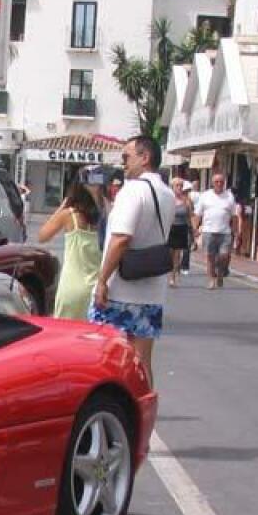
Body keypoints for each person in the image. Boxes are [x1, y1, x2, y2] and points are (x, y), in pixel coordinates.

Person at [91, 136, 174, 388]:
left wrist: (102, 280)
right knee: (143, 362)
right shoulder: (167, 194)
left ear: (144, 157)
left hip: (120, 291)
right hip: (152, 292)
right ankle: (144, 417)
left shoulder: (133, 191)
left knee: (104, 359)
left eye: (127, 157)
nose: (123, 163)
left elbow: (120, 239)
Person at [37, 179, 102, 320]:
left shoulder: (69, 215)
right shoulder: (104, 217)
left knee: (66, 335)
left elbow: (42, 236)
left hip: (71, 286)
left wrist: (61, 207)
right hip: (96, 287)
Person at [194, 172, 239, 289]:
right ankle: (211, 280)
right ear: (212, 183)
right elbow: (198, 214)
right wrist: (195, 228)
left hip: (225, 232)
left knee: (224, 256)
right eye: (217, 182)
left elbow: (234, 215)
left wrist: (236, 231)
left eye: (221, 182)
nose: (219, 184)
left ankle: (220, 274)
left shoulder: (229, 196)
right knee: (210, 257)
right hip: (209, 231)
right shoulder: (205, 196)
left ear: (224, 183)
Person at [167, 177, 193, 287]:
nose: (179, 188)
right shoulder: (168, 199)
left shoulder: (186, 201)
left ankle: (173, 276)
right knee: (169, 253)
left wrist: (192, 231)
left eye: (181, 186)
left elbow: (189, 217)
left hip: (181, 228)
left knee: (177, 254)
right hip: (170, 228)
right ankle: (169, 274)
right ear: (172, 187)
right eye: (177, 185)